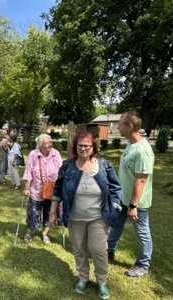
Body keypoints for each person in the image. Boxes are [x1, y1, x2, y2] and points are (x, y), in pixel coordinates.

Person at [49, 131, 121, 299]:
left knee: (99, 250)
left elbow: (115, 188)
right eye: (80, 145)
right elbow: (58, 189)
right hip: (74, 217)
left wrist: (115, 204)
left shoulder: (104, 165)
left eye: (86, 146)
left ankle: (102, 281)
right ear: (75, 147)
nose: (83, 148)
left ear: (93, 147)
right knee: (79, 249)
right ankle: (83, 277)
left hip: (99, 217)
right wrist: (53, 211)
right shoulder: (67, 166)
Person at [107, 112, 155, 277]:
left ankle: (143, 265)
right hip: (123, 198)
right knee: (115, 225)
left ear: (129, 127)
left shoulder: (142, 150)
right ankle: (109, 251)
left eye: (120, 124)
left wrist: (133, 205)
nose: (117, 127)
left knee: (142, 231)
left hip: (137, 202)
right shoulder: (131, 145)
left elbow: (141, 180)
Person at [23, 133, 62, 244]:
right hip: (36, 190)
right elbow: (28, 172)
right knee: (33, 212)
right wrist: (27, 188)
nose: (49, 145)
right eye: (46, 143)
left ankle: (45, 233)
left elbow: (61, 170)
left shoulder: (56, 154)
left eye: (50, 142)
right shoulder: (34, 154)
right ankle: (31, 231)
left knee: (50, 212)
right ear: (40, 145)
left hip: (52, 190)